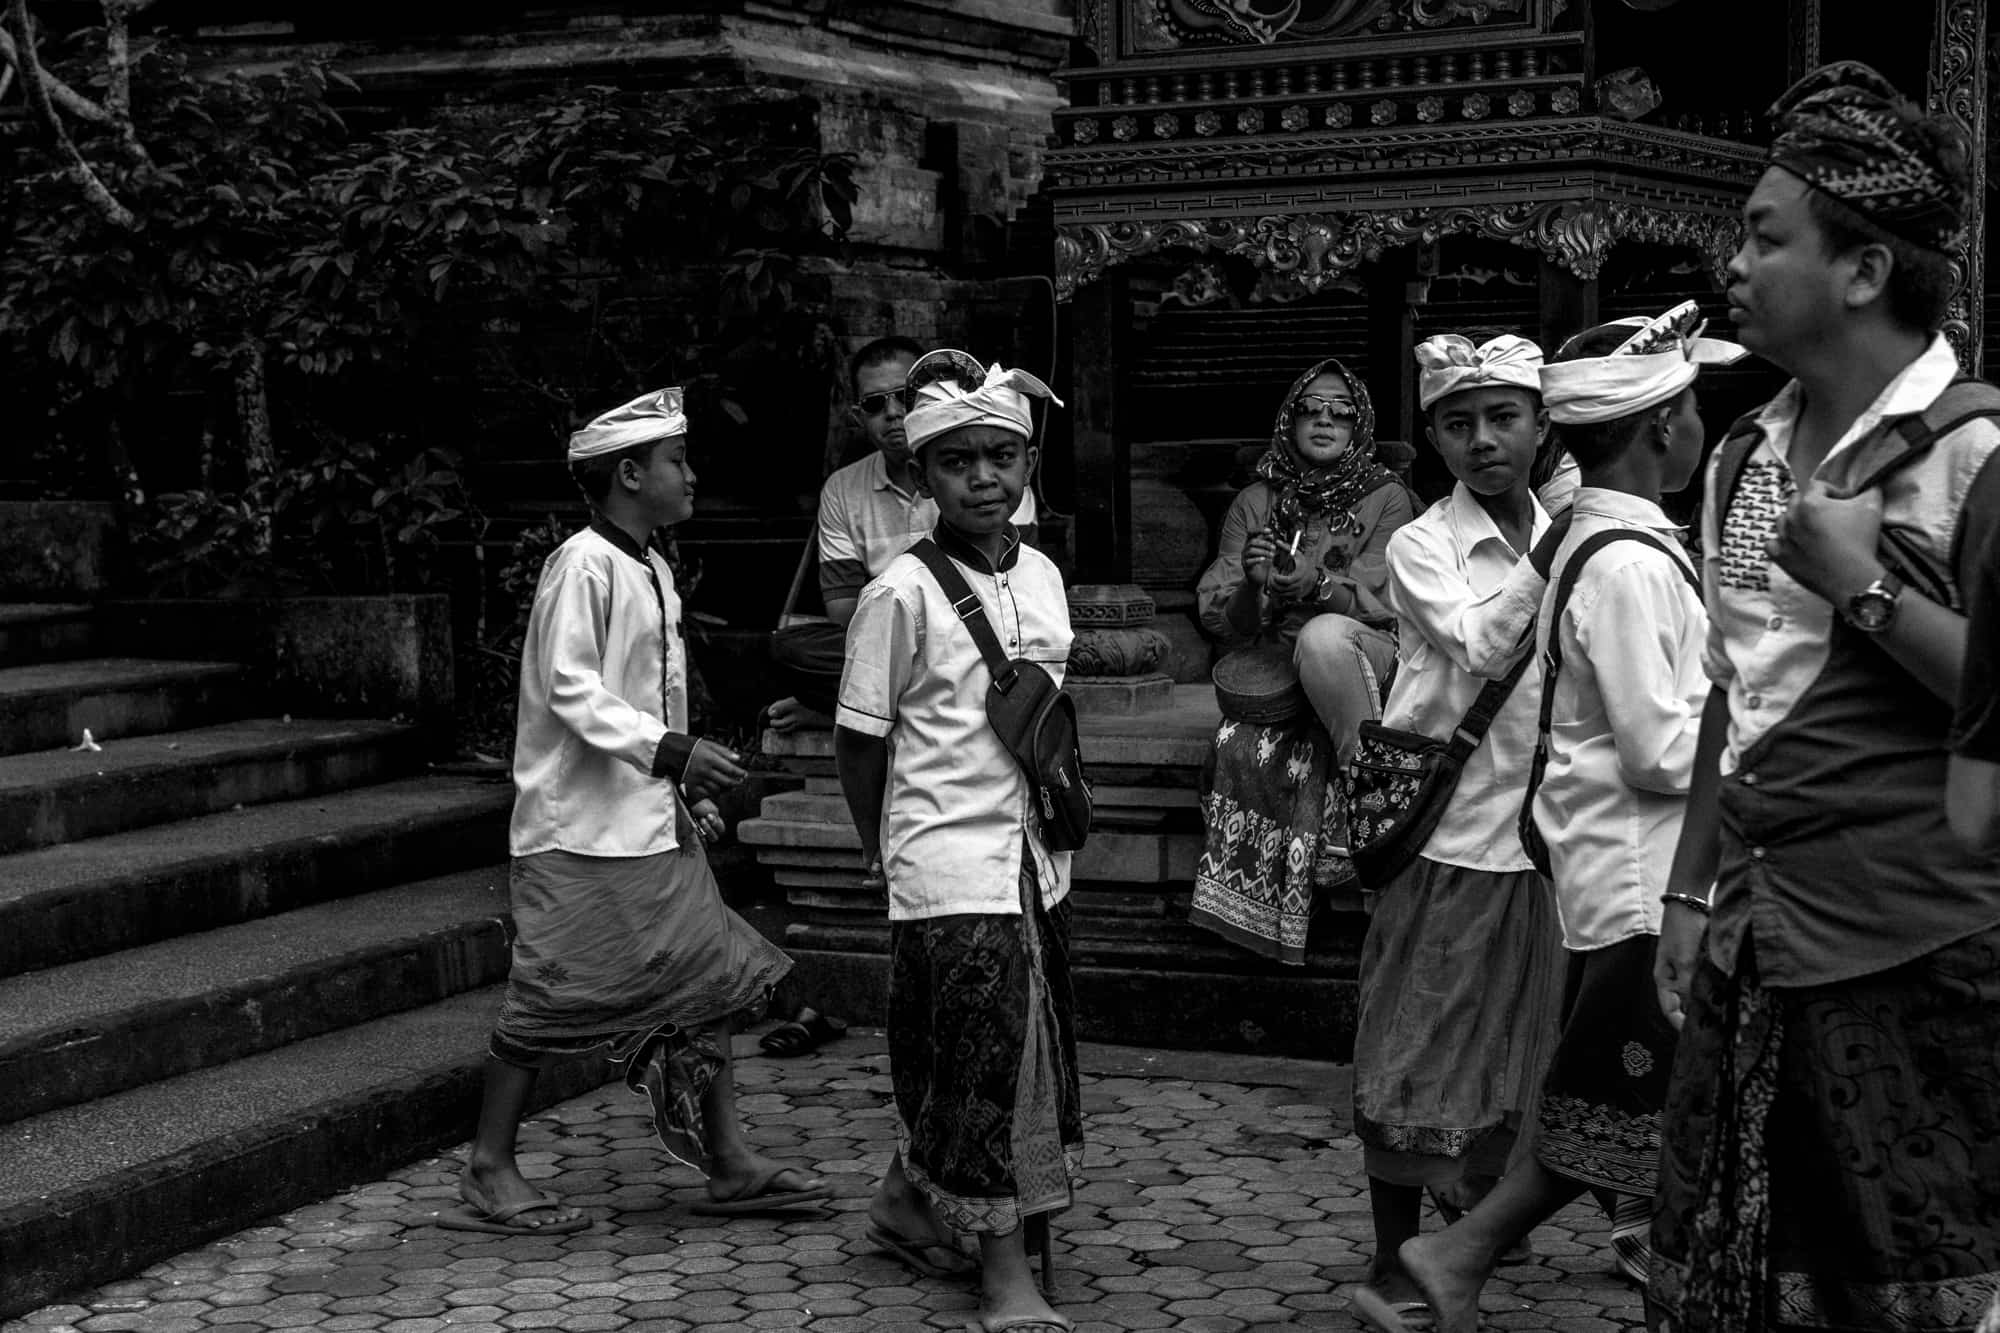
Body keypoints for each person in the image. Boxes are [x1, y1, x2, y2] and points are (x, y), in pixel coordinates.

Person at [1651, 62, 2000, 1332]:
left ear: (1860, 272)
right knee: (1744, 1272)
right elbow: (1727, 692)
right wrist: (1687, 890)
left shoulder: (1974, 457)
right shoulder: (1746, 451)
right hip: (1758, 924)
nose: (1729, 264)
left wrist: (1862, 591)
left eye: (1760, 235)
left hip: (1918, 940)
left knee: (1914, 1279)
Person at [1369, 305, 1743, 1333]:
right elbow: (1657, 748)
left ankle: (1463, 1251)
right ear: (1664, 428)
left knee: (1621, 1100)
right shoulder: (1620, 563)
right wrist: (1770, 733)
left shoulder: (1614, 544)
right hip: (1634, 877)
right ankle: (1460, 1249)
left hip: (1623, 870)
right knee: (1630, 1103)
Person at [443, 388, 828, 1237]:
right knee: (545, 997)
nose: (691, 476)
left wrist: (681, 785)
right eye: (678, 462)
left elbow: (661, 693)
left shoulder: (648, 564)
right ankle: (489, 1165)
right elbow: (571, 688)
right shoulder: (579, 564)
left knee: (705, 982)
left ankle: (729, 1162)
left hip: (649, 822)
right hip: (576, 828)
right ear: (629, 474)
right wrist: (673, 753)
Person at [834, 357, 1081, 1333]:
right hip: (944, 860)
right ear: (924, 473)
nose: (983, 477)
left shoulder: (1048, 575)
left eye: (1001, 456)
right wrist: (875, 846)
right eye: (958, 461)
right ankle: (1002, 1275)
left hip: (1034, 862)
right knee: (985, 1065)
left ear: (1027, 463)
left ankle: (906, 1200)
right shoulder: (899, 592)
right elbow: (860, 737)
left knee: (1012, 1051)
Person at [1344, 333, 1573, 1320]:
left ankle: (1469, 1227)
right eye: (1456, 421)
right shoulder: (1420, 543)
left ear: (1539, 426)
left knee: (1517, 1048)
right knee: (1411, 1042)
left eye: (1502, 417)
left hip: (1544, 835)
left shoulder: (1574, 522)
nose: (1481, 440)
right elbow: (1484, 642)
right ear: (1431, 435)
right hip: (1446, 837)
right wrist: (1562, 542)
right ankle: (1395, 1254)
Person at [1188, 359, 1414, 962]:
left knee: (1324, 637)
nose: (1324, 420)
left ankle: (1371, 798)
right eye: (1310, 408)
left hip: (1357, 653)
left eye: (1341, 411)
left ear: (1360, 423)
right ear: (1289, 420)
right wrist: (1253, 586)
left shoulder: (1387, 497)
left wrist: (1311, 584)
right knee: (1237, 742)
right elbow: (1226, 622)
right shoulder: (1255, 502)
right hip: (1275, 662)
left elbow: (1384, 601)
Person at [767, 336, 1039, 734]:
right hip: (887, 635)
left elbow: (1011, 591)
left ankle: (857, 711)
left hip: (981, 635)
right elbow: (844, 612)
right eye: (876, 404)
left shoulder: (986, 478)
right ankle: (898, 707)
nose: (893, 413)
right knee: (794, 648)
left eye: (903, 397)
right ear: (859, 416)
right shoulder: (843, 489)